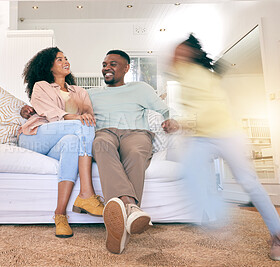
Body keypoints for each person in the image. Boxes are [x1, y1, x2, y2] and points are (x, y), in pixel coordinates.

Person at [173, 34, 280, 261]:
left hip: (226, 133)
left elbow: (207, 111)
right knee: (189, 171)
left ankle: (278, 235)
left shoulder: (199, 75)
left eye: (179, 51)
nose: (174, 56)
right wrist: (182, 124)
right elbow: (194, 112)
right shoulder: (183, 77)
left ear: (189, 54)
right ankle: (216, 215)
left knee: (249, 183)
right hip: (202, 137)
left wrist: (180, 123)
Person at [88, 50, 178, 254]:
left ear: (127, 68)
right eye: (104, 64)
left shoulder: (141, 88)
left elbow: (165, 110)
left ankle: (119, 231)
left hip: (136, 133)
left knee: (137, 153)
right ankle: (131, 207)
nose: (106, 68)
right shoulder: (92, 93)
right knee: (101, 145)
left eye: (113, 64)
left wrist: (171, 119)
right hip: (105, 132)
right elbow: (68, 109)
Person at [18, 47, 104, 238]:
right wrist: (73, 116)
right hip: (36, 136)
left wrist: (80, 118)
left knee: (73, 141)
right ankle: (87, 194)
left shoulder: (80, 91)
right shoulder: (41, 86)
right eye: (59, 59)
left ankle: (60, 214)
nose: (65, 61)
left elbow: (89, 117)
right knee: (80, 125)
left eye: (66, 58)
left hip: (63, 140)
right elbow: (48, 113)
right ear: (49, 66)